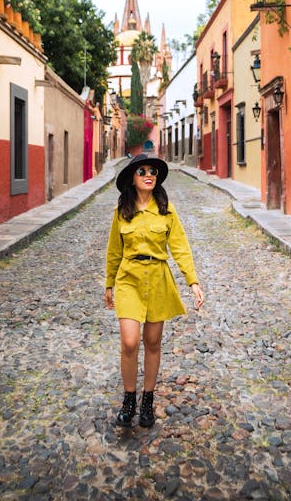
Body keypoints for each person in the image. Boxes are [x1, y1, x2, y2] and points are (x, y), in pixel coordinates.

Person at [105, 154, 204, 428]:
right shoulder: (122, 211)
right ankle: (129, 399)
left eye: (152, 172)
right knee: (129, 342)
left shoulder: (167, 210)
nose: (149, 175)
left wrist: (192, 281)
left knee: (152, 342)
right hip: (129, 278)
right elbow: (114, 250)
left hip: (158, 278)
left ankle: (147, 401)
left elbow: (180, 247)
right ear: (132, 179)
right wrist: (109, 284)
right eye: (142, 171)